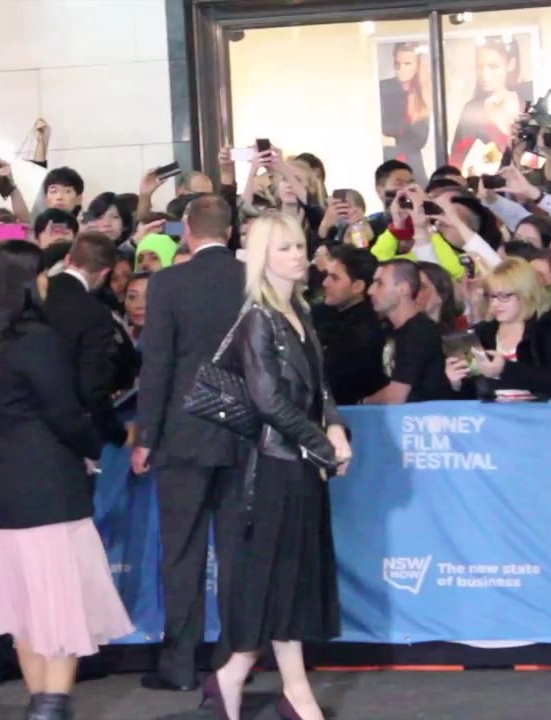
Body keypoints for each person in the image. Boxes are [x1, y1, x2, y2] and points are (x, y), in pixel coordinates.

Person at [0, 239, 132, 720]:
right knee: (60, 602)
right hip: (47, 485)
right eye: (42, 273)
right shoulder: (37, 338)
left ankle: (40, 704)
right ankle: (52, 707)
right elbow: (64, 410)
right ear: (27, 280)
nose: (48, 281)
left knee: (21, 607)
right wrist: (94, 446)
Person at [202, 213, 351, 720]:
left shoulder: (299, 314)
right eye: (286, 247)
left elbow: (319, 388)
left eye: (300, 246)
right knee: (274, 578)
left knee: (291, 579)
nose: (298, 255)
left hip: (300, 462)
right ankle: (249, 680)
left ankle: (268, 685)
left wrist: (332, 428)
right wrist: (323, 445)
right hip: (272, 468)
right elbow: (268, 402)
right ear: (264, 256)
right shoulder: (258, 319)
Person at [133, 194, 247, 692]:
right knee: (237, 551)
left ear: (187, 229)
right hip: (245, 431)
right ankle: (233, 663)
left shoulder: (168, 283)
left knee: (181, 551)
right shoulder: (254, 278)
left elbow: (157, 366)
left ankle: (179, 664)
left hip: (183, 433)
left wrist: (146, 436)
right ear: (230, 229)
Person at [445, 257, 551, 400]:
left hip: (541, 417)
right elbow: (472, 395)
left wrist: (506, 369)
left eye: (504, 296)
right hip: (492, 418)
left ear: (525, 295)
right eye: (492, 297)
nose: (495, 304)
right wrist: (456, 383)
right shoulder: (482, 333)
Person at [44, 232, 125, 447]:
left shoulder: (35, 294)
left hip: (17, 421)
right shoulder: (95, 313)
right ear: (105, 272)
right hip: (67, 429)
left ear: (68, 260)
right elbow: (92, 385)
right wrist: (116, 433)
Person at [365, 259, 450, 403]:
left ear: (403, 289)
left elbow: (397, 395)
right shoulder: (387, 330)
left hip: (421, 420)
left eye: (379, 283)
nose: (370, 290)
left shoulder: (419, 332)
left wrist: (362, 404)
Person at [314, 246, 387, 405]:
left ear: (358, 286)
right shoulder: (319, 313)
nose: (325, 283)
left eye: (334, 278)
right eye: (327, 275)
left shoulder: (366, 331)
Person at [449, 37, 532, 169]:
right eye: (479, 67)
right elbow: (456, 161)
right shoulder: (472, 110)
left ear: (510, 64)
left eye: (493, 67)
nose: (484, 75)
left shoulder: (529, 101)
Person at [380, 42, 431, 186]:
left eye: (407, 63)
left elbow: (419, 139)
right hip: (386, 159)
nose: (401, 69)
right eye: (398, 63)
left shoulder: (423, 94)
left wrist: (392, 141)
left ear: (418, 65)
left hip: (411, 163)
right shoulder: (383, 89)